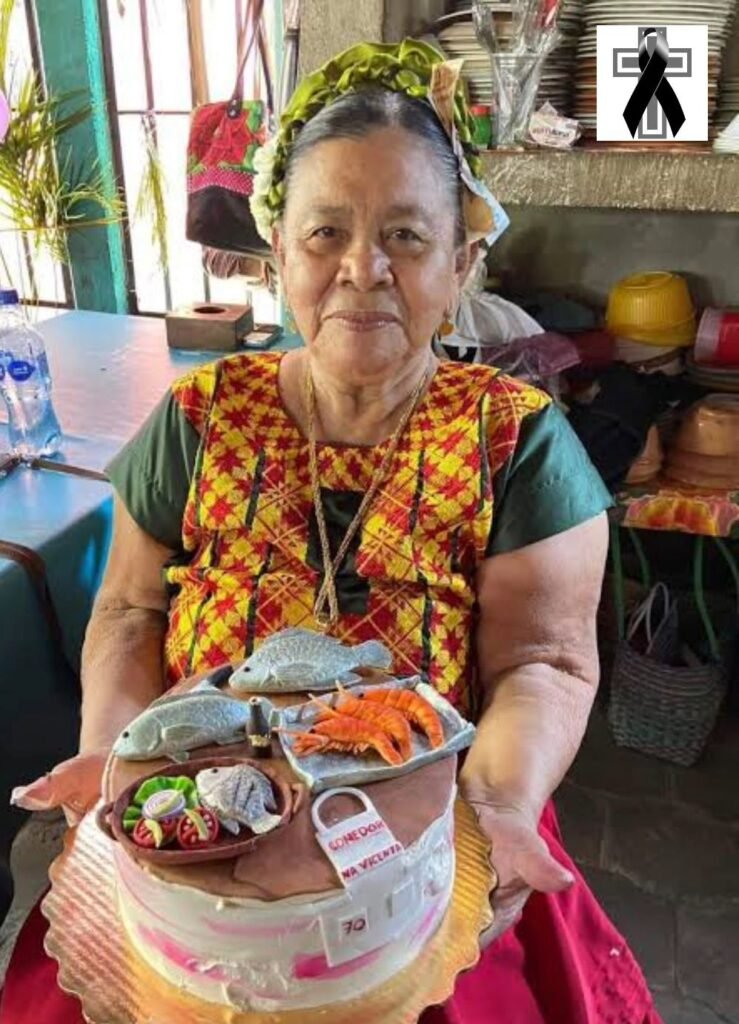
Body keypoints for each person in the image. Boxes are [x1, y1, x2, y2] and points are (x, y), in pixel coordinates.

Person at [2, 40, 662, 1024]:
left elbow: (545, 661)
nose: (363, 269)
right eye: (325, 233)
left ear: (461, 262)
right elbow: (131, 614)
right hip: (195, 827)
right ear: (279, 252)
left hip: (431, 820)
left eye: (405, 235)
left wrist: (501, 804)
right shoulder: (199, 416)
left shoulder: (514, 437)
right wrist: (115, 751)